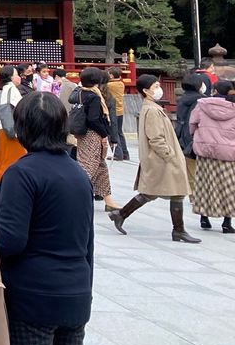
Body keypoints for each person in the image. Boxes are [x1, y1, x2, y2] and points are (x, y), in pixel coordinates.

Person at [0, 91, 94, 345]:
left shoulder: (22, 173)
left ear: (23, 128)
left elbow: (11, 241)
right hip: (74, 292)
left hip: (33, 297)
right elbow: (88, 240)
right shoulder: (78, 174)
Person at [110, 74, 200, 243]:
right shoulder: (151, 110)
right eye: (155, 86)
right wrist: (169, 154)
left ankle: (121, 214)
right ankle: (178, 230)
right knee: (168, 192)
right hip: (162, 159)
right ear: (146, 90)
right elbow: (156, 137)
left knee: (159, 192)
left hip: (161, 159)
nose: (159, 89)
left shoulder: (152, 107)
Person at [69, 67, 119, 211]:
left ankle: (109, 201)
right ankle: (72, 199)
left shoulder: (80, 93)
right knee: (88, 168)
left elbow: (71, 99)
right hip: (92, 134)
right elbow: (94, 119)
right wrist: (104, 134)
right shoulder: (94, 96)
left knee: (101, 167)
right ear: (96, 81)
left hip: (82, 133)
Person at [190, 80, 235, 233]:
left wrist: (199, 137)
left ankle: (204, 218)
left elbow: (192, 124)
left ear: (214, 90)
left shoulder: (202, 105)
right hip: (228, 153)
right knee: (228, 186)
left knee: (205, 184)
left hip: (205, 150)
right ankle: (227, 222)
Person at [174, 72, 206, 228]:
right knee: (197, 171)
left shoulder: (182, 99)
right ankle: (196, 196)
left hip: (182, 138)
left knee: (190, 170)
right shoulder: (201, 101)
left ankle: (192, 194)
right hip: (195, 138)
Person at [0, 66, 26, 191]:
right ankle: (5, 180)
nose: (19, 77)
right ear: (11, 77)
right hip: (12, 129)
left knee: (4, 157)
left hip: (3, 128)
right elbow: (19, 109)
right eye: (16, 74)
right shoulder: (12, 90)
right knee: (14, 157)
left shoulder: (6, 89)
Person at [105, 66, 129, 161]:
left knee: (112, 133)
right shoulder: (121, 84)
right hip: (120, 111)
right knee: (119, 132)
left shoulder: (110, 85)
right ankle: (125, 153)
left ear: (111, 75)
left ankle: (118, 154)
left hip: (113, 111)